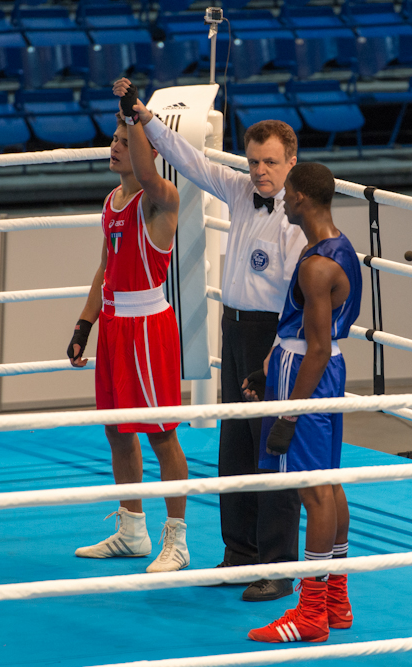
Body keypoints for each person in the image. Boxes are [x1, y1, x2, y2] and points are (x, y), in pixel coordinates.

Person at [112, 77, 306, 602]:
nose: (260, 171)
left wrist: (268, 361)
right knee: (234, 449)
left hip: (276, 340)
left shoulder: (297, 219)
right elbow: (190, 160)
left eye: (269, 163)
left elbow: (298, 302)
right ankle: (239, 553)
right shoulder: (241, 190)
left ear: (291, 162)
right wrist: (142, 117)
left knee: (272, 453)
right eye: (254, 161)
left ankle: (277, 566)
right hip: (236, 328)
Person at [65, 89, 190, 574]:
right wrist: (84, 323)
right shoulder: (112, 200)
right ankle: (132, 530)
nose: (115, 146)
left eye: (125, 139)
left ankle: (176, 540)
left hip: (148, 329)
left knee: (161, 435)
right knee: (117, 430)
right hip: (116, 325)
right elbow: (105, 268)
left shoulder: (161, 200)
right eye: (113, 138)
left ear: (149, 148)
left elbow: (148, 174)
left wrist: (138, 117)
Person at [242, 162, 361, 643]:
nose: (284, 200)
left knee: (312, 492)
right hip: (327, 368)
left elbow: (310, 348)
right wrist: (265, 370)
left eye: (289, 193)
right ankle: (335, 600)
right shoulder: (340, 248)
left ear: (305, 199)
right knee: (329, 486)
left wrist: (288, 412)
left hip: (307, 373)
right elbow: (311, 336)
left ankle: (310, 612)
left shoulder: (315, 266)